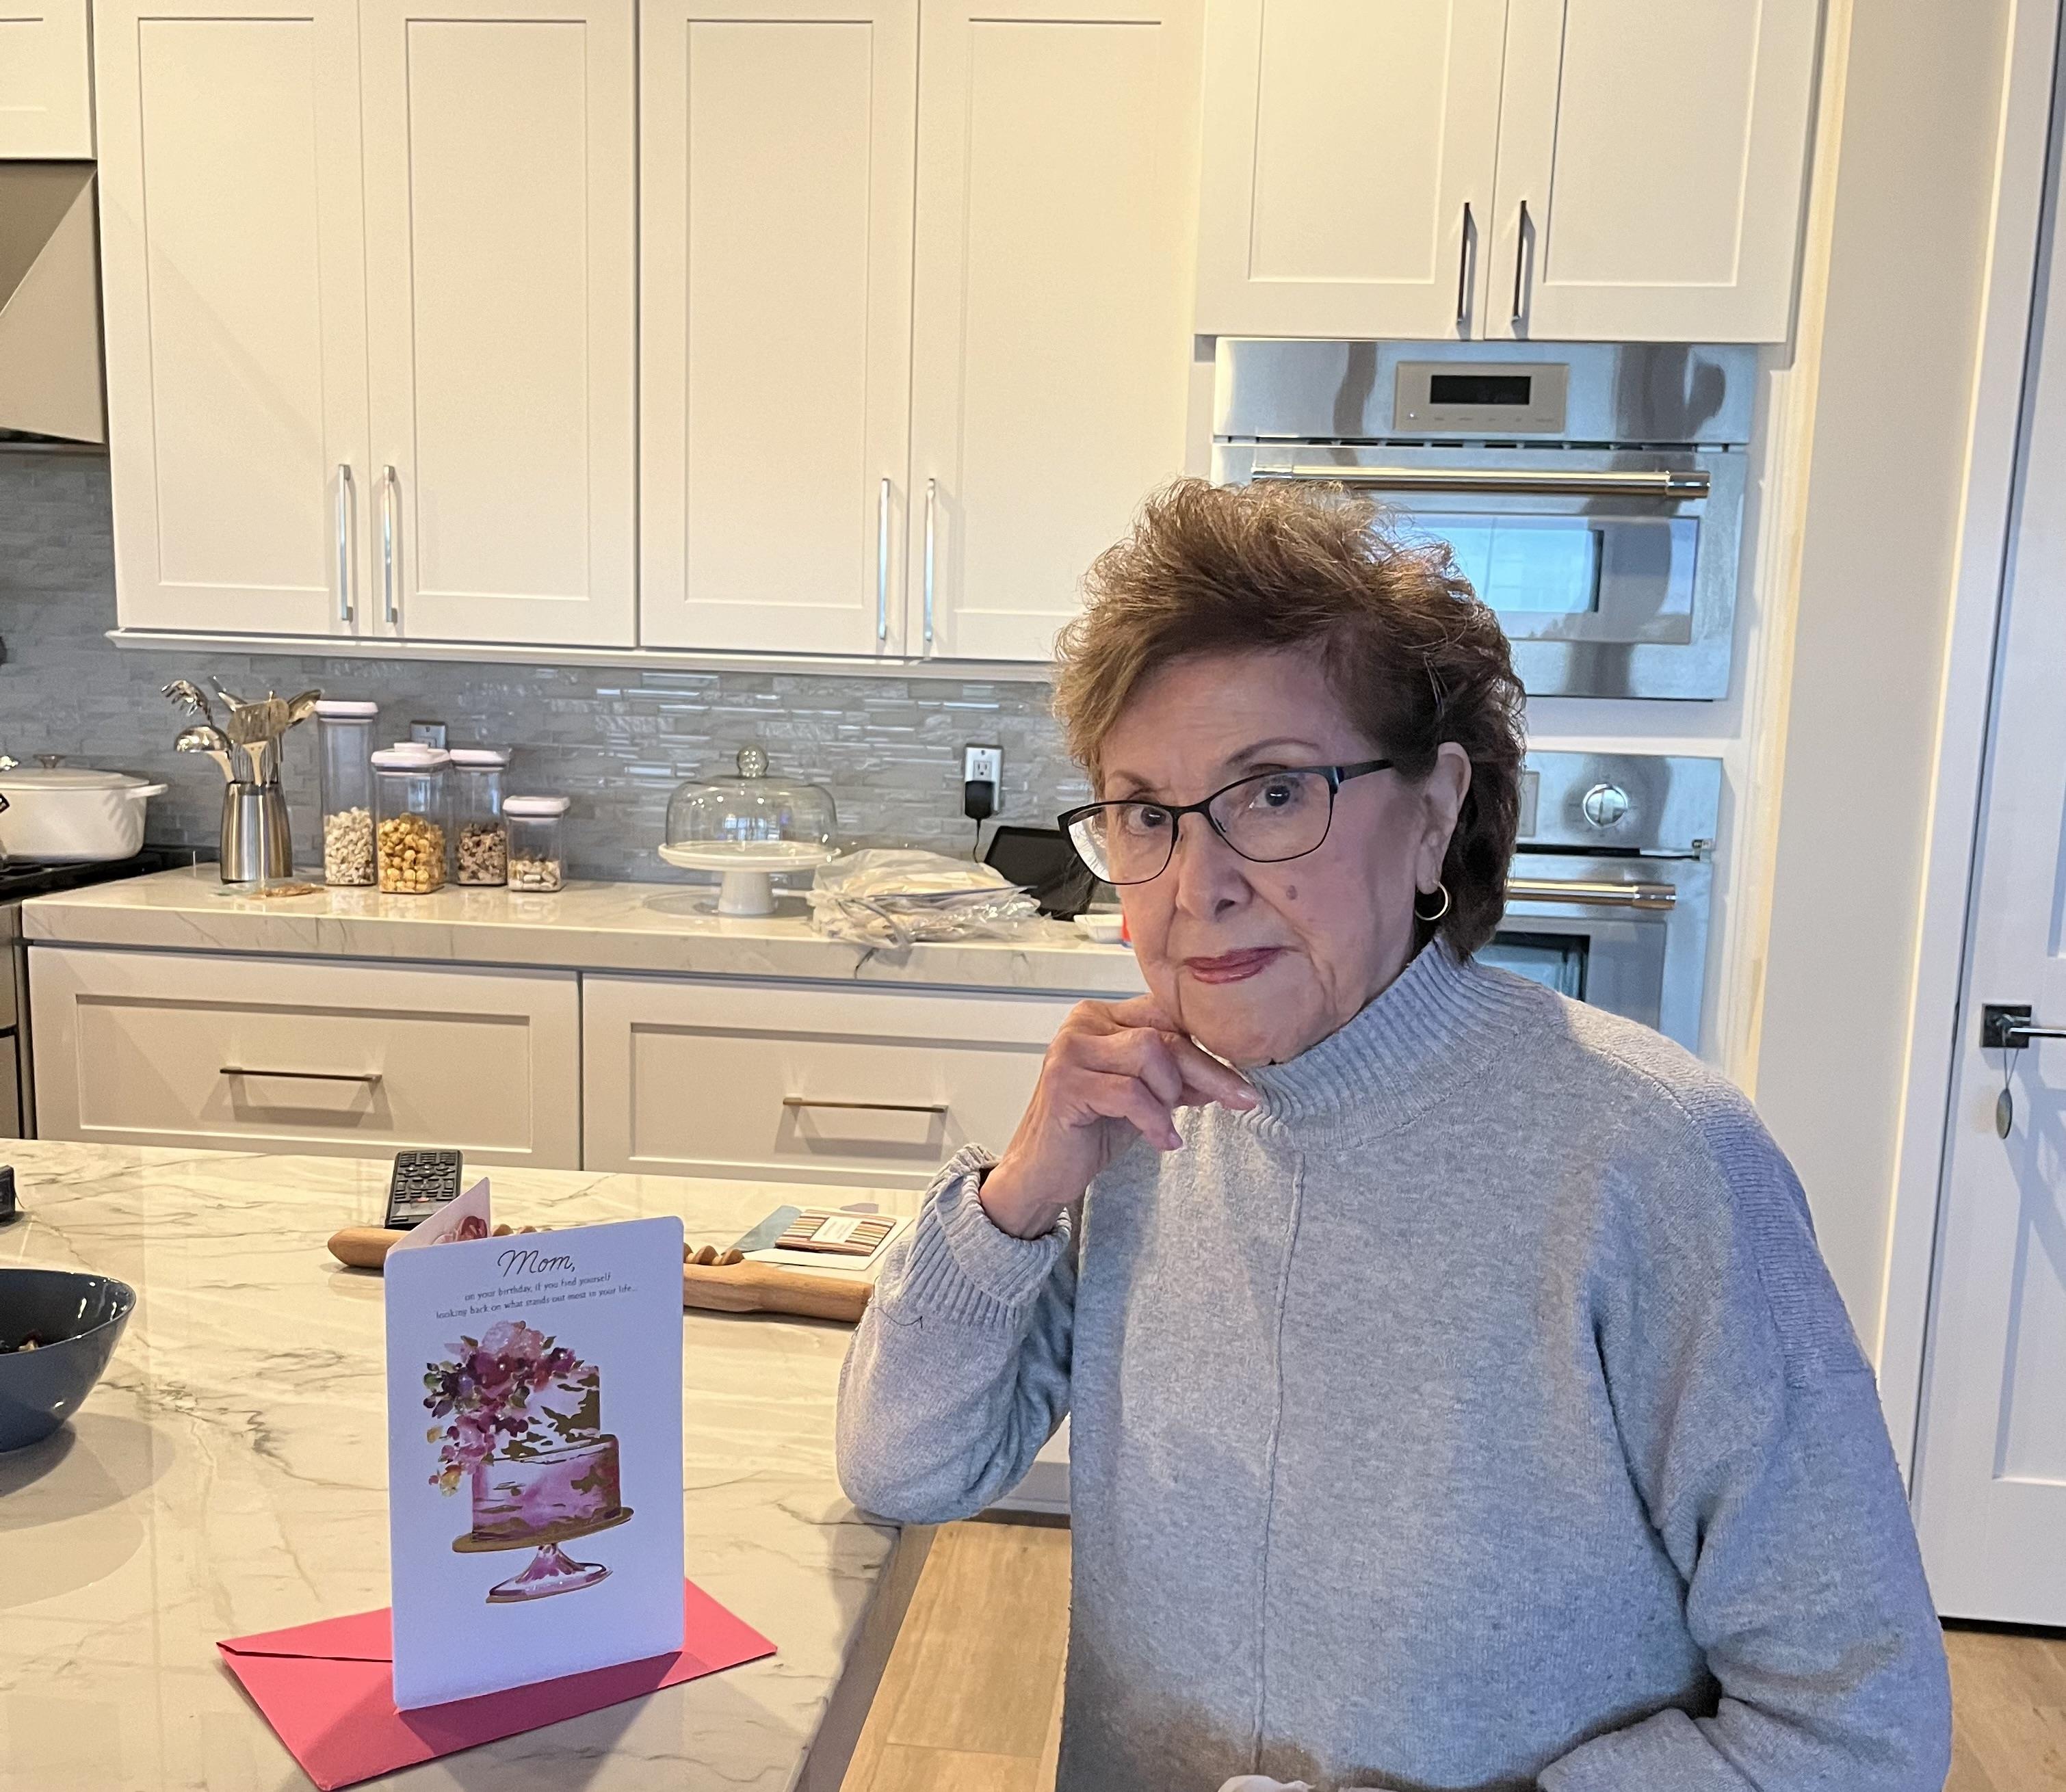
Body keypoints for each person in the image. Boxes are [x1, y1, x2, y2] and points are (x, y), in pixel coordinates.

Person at [835, 479, 1952, 1791]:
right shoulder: (1137, 1126)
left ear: (1433, 814)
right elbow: (905, 1468)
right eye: (1145, 813)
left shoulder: (1653, 1158)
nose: (1200, 885)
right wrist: (1019, 1190)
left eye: (1273, 795)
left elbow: (1859, 1723)